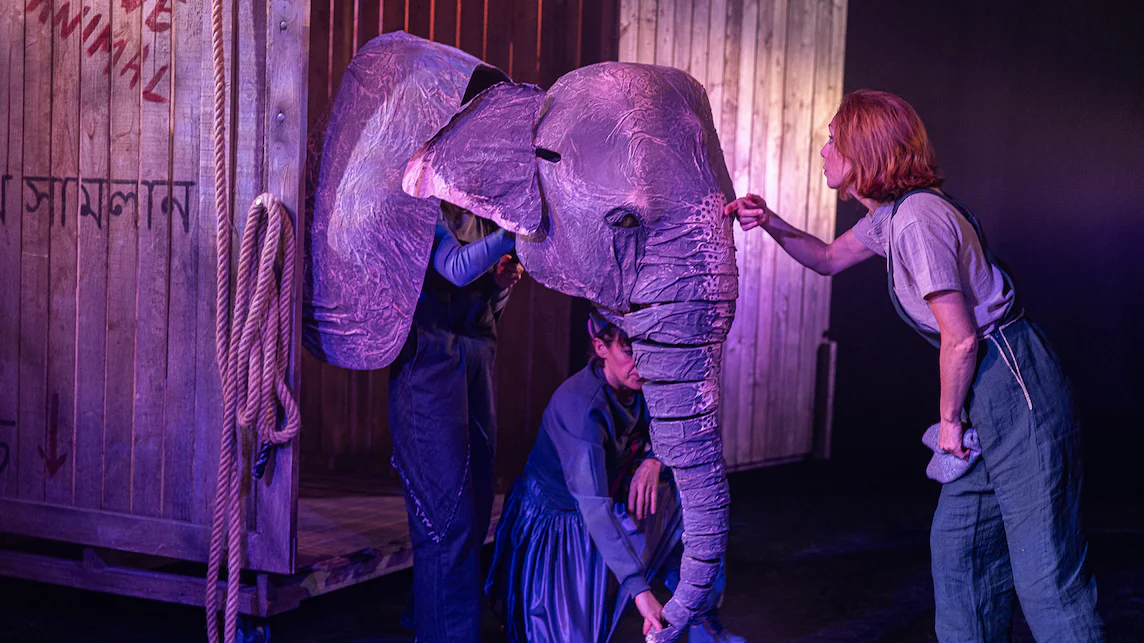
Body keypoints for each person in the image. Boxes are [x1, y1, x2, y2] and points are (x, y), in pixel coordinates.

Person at [724, 89, 1104, 642]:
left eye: (833, 140)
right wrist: (770, 222)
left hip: (1016, 385)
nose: (824, 150)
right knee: (961, 554)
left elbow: (962, 338)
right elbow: (827, 259)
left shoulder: (917, 220)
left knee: (1047, 575)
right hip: (986, 389)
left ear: (865, 151)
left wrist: (948, 422)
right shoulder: (893, 216)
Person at [486, 310, 744, 643]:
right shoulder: (581, 409)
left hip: (612, 497)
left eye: (647, 349)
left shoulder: (644, 382)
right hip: (561, 522)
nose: (641, 362)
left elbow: (684, 437)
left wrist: (654, 460)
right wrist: (641, 592)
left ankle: (702, 620)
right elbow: (594, 508)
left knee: (691, 491)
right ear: (601, 348)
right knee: (567, 636)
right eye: (629, 351)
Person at [388, 199, 523, 643]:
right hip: (429, 363)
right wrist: (514, 232)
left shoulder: (482, 212)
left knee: (476, 507)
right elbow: (455, 267)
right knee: (447, 518)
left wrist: (500, 283)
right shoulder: (421, 205)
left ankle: (424, 614)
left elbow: (486, 299)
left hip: (475, 357)